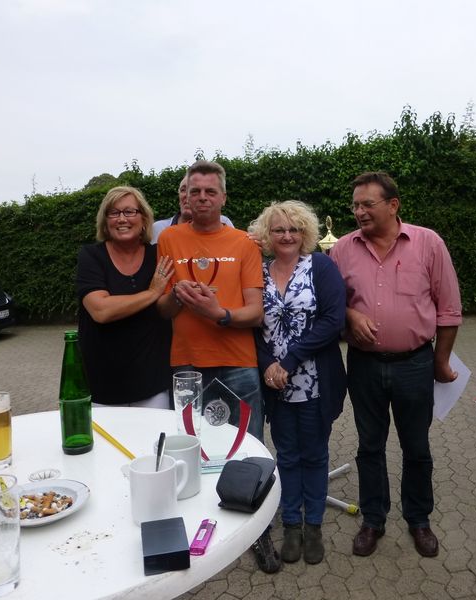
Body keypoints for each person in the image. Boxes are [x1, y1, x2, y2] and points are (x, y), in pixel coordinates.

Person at [156, 160, 280, 572]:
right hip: (187, 363)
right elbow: (162, 310)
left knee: (247, 450)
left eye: (211, 192)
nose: (202, 198)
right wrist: (178, 296)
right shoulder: (169, 239)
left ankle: (258, 532)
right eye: (195, 191)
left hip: (236, 363)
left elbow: (255, 312)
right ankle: (199, 527)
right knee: (191, 451)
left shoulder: (243, 243)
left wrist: (218, 313)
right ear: (185, 197)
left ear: (223, 197)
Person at [330, 172, 462, 559]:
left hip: (415, 364)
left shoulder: (428, 243)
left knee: (416, 447)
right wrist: (350, 315)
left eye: (367, 204)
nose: (359, 212)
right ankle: (373, 519)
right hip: (364, 365)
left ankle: (419, 519)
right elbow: (329, 305)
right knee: (369, 447)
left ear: (393, 205)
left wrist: (441, 361)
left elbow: (449, 309)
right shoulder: (342, 249)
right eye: (355, 205)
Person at [249, 200, 346, 565]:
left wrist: (288, 361)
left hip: (315, 381)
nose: (287, 235)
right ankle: (291, 525)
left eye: (294, 229)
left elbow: (333, 320)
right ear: (267, 235)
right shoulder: (258, 272)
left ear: (305, 233)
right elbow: (253, 328)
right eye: (279, 229)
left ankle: (314, 525)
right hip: (276, 384)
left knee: (315, 454)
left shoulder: (320, 265)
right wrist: (268, 366)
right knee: (287, 456)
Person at [76, 186, 174, 407]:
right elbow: (101, 310)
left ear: (144, 219)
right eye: (114, 213)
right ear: (105, 221)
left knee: (155, 431)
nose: (122, 219)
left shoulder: (159, 255)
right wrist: (152, 293)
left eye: (130, 211)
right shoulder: (91, 256)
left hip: (152, 384)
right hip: (102, 387)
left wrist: (248, 241)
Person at [151, 175, 234, 243]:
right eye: (183, 190)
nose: (187, 195)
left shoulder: (223, 222)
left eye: (194, 191)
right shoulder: (159, 229)